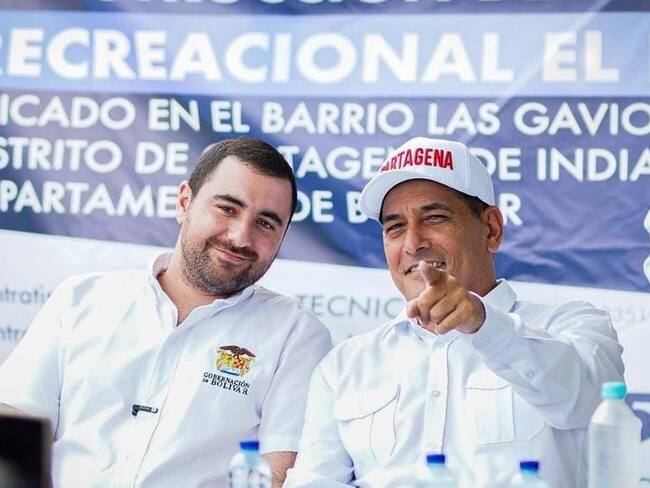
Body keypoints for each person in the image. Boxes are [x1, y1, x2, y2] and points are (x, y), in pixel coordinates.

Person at [283, 137, 624, 488]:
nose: (413, 243)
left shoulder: (574, 324)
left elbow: (586, 401)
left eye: (434, 218)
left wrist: (482, 322)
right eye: (395, 227)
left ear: (491, 229)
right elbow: (311, 482)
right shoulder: (345, 364)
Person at [0, 138, 332, 488]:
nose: (240, 237)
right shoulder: (80, 299)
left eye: (265, 223)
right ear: (185, 202)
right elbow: (13, 427)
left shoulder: (296, 335)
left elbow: (280, 473)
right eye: (227, 208)